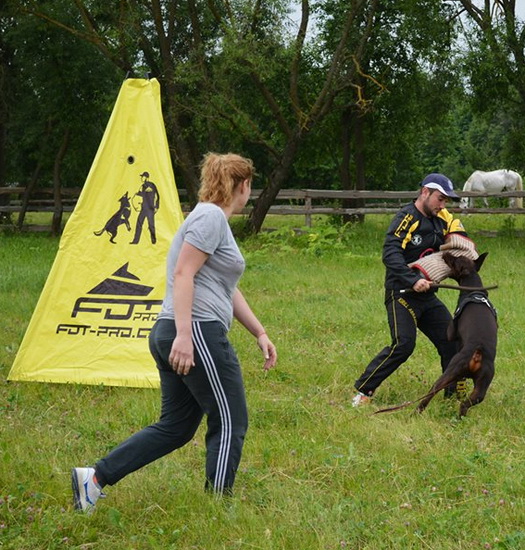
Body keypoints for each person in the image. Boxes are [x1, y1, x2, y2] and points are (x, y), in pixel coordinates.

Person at [72, 153, 277, 512]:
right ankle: (218, 507)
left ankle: (95, 478)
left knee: (177, 427)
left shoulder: (209, 219)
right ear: (243, 185)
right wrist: (185, 336)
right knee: (230, 419)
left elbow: (225, 287)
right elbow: (184, 274)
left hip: (179, 330)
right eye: (250, 185)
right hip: (194, 331)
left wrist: (258, 332)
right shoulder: (211, 217)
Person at [352, 173, 471, 407]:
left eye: (446, 200)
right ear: (425, 192)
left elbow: (460, 241)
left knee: (452, 340)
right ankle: (364, 391)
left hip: (427, 296)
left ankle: (451, 398)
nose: (442, 205)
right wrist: (412, 279)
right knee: (404, 344)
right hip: (402, 293)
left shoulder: (441, 218)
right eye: (440, 199)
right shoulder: (407, 217)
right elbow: (390, 253)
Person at [130, 171, 160, 244]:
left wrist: (156, 206)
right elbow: (140, 195)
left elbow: (157, 195)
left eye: (143, 177)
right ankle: (135, 241)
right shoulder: (142, 186)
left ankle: (153, 241)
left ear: (146, 177)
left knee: (151, 225)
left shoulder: (152, 185)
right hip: (143, 208)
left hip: (150, 208)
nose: (141, 178)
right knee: (139, 224)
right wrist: (136, 197)